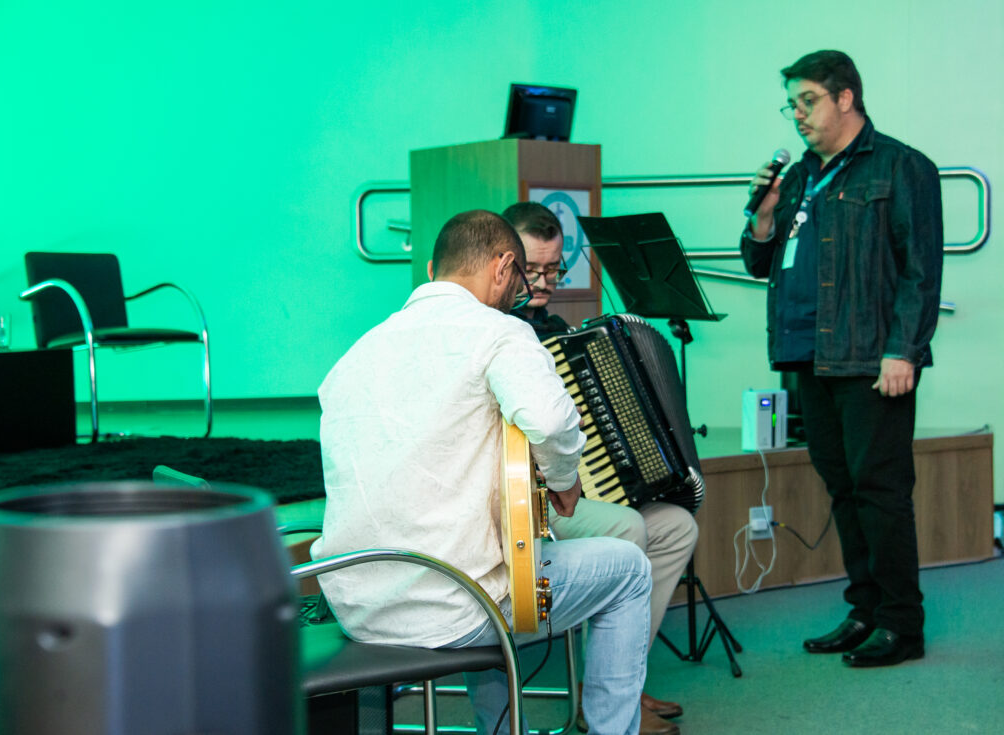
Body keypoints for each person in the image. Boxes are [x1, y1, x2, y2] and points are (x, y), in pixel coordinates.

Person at [314, 209, 653, 735]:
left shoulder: (356, 354)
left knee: (489, 560)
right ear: (503, 267)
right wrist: (564, 481)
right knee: (628, 570)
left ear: (434, 270)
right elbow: (549, 421)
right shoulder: (499, 332)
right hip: (453, 607)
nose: (518, 294)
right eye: (519, 282)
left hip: (359, 605)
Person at [741, 50, 943, 667]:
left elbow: (920, 271)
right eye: (792, 105)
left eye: (808, 101)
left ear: (846, 98)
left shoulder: (901, 166)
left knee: (880, 490)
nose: (798, 114)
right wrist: (764, 216)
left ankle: (902, 624)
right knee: (843, 488)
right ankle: (865, 609)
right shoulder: (800, 175)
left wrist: (903, 351)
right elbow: (760, 262)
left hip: (871, 359)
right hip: (808, 355)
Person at [505, 202, 698, 734]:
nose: (543, 283)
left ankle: (619, 680)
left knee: (677, 526)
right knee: (629, 528)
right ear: (506, 262)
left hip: (575, 489)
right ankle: (605, 700)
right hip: (527, 500)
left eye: (554, 269)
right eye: (532, 269)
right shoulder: (499, 335)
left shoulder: (555, 330)